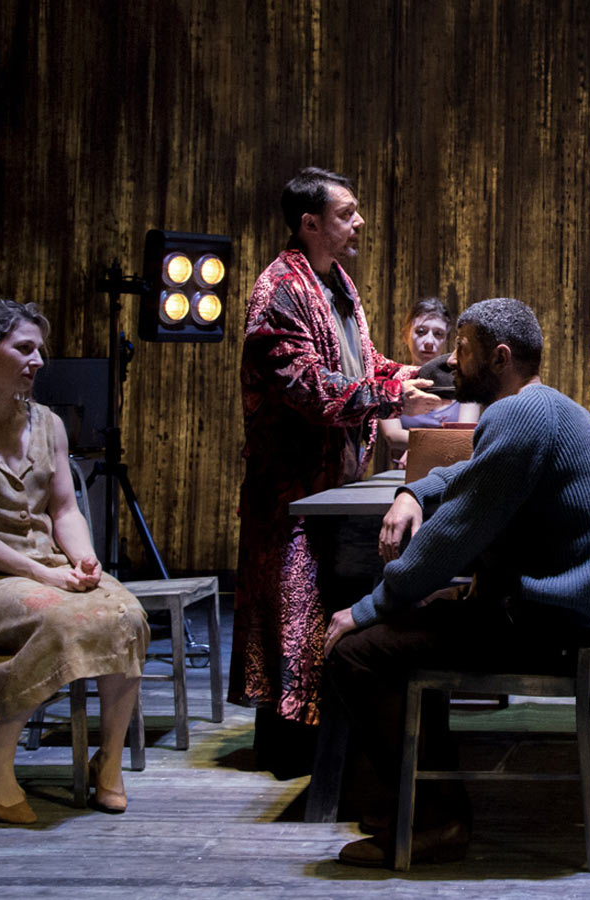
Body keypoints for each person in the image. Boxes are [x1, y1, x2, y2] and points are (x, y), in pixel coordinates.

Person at [323, 297, 590, 867]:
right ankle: (410, 801)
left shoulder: (520, 416)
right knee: (413, 621)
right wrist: (415, 490)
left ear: (500, 358)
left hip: (542, 624)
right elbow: (471, 473)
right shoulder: (543, 407)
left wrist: (369, 607)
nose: (450, 361)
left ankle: (435, 822)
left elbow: (451, 539)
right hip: (560, 616)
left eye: (463, 350)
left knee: (356, 651)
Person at [231, 166, 442, 773]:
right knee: (294, 613)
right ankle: (291, 752)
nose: (359, 222)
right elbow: (309, 387)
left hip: (334, 483)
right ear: (310, 223)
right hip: (291, 490)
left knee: (331, 602)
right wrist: (395, 397)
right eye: (347, 213)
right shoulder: (279, 289)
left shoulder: (337, 282)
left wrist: (422, 374)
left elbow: (364, 363)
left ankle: (334, 744)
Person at [0, 300, 149, 823]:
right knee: (63, 619)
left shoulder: (48, 424)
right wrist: (44, 574)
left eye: (40, 349)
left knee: (127, 615)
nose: (38, 360)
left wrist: (84, 560)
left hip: (49, 568)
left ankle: (108, 761)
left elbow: (64, 509)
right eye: (24, 348)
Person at [376, 297, 477, 468]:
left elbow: (465, 436)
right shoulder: (389, 382)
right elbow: (393, 435)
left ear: (446, 339)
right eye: (421, 331)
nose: (429, 342)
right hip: (402, 474)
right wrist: (435, 446)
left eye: (438, 334)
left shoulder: (465, 383)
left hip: (452, 472)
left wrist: (423, 448)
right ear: (405, 334)